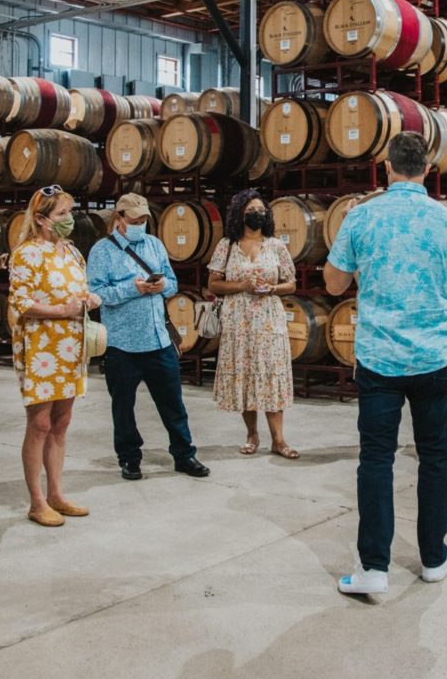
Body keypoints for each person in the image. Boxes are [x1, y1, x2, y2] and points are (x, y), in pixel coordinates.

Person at [324, 131, 447, 596]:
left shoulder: (360, 216)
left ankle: (374, 567)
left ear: (387, 167)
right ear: (428, 169)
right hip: (434, 356)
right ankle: (434, 558)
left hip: (379, 357)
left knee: (376, 458)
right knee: (435, 457)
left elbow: (333, 284)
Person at [87, 193, 209, 481]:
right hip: (122, 343)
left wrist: (163, 285)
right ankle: (129, 458)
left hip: (158, 340)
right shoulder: (101, 252)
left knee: (173, 403)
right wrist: (134, 289)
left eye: (143, 220)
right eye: (134, 220)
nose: (140, 224)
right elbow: (96, 294)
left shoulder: (154, 244)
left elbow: (173, 283)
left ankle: (184, 454)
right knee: (123, 407)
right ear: (119, 220)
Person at [8, 185, 101, 527]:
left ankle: (56, 494)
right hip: (41, 346)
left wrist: (90, 299)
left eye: (70, 212)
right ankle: (36, 501)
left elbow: (81, 289)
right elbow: (20, 302)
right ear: (41, 218)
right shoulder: (26, 254)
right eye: (62, 214)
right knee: (40, 423)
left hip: (71, 346)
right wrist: (61, 309)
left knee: (62, 423)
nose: (69, 219)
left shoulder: (72, 253)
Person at [208, 190, 300, 459]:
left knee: (271, 375)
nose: (256, 214)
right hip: (238, 321)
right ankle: (252, 434)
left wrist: (272, 288)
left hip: (269, 321)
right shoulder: (227, 245)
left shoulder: (276, 246)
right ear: (239, 213)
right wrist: (242, 285)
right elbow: (213, 284)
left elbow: (291, 283)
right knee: (244, 376)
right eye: (251, 210)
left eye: (261, 210)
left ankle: (279, 440)